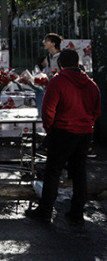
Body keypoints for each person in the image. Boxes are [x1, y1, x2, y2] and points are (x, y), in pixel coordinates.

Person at [26, 49, 101, 224]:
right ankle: (77, 211)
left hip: (62, 131)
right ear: (77, 63)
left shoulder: (58, 82)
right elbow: (96, 112)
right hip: (84, 132)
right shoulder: (92, 85)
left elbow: (48, 110)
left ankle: (45, 210)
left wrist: (50, 129)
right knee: (79, 172)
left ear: (60, 64)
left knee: (53, 171)